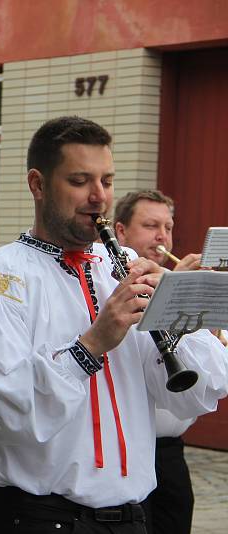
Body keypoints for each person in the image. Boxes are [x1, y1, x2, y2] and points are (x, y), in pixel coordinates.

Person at [0, 116, 228, 533]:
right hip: (39, 518)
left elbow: (197, 395)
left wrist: (180, 314)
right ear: (38, 185)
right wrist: (92, 344)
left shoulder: (126, 267)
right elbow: (3, 414)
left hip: (132, 516)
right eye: (80, 181)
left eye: (107, 181)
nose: (99, 197)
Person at [114, 189, 222, 534]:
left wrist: (194, 301)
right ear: (120, 232)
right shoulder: (111, 287)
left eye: (168, 227)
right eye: (150, 225)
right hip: (126, 452)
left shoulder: (180, 281)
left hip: (171, 453)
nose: (163, 236)